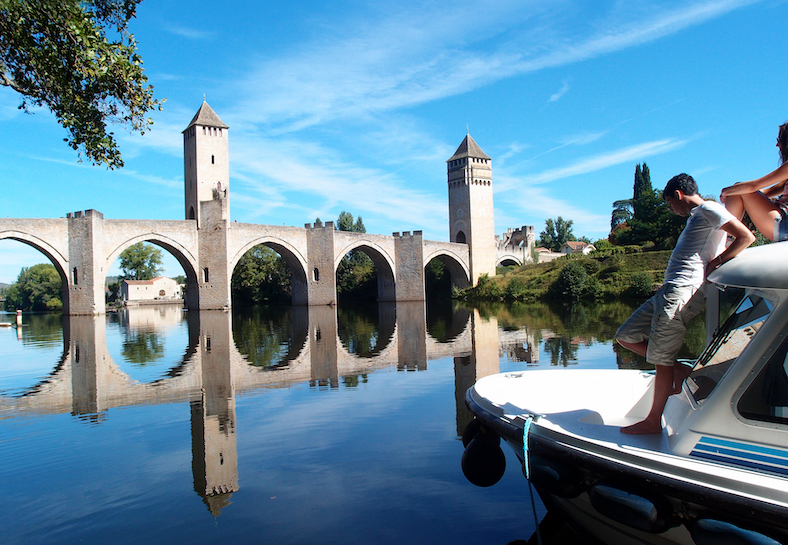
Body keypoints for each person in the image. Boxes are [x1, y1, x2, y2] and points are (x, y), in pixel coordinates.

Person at [616, 173, 755, 434]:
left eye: (670, 204)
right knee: (625, 335)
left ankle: (652, 421)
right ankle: (683, 373)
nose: (671, 209)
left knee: (661, 360)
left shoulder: (709, 209)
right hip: (668, 291)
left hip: (681, 292)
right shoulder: (699, 217)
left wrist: (718, 262)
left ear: (678, 195)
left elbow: (746, 237)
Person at [720, 121, 788, 241]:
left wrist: (726, 191)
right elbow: (767, 191)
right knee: (738, 189)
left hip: (784, 224)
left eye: (780, 139)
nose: (777, 144)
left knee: (738, 188)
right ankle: (727, 238)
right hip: (783, 224)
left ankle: (722, 239)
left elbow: (754, 186)